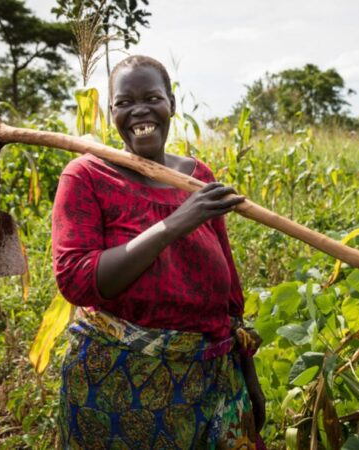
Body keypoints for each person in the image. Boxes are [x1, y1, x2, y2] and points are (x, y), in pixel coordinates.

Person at [52, 55, 265, 449]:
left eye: (152, 97)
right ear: (110, 112)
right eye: (124, 103)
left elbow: (230, 292)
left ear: (171, 103)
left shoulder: (196, 177)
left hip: (212, 380)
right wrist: (177, 223)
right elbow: (78, 279)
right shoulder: (86, 176)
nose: (139, 111)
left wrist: (247, 372)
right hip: (118, 386)